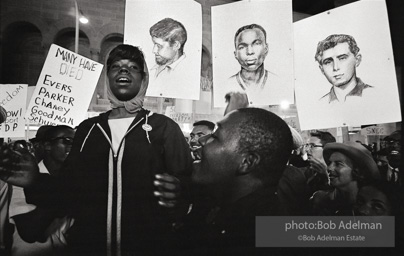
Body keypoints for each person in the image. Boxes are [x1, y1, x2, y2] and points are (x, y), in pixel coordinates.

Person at [0, 44, 193, 256]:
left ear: (143, 78)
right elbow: (70, 191)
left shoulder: (163, 128)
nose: (123, 70)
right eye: (116, 66)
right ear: (107, 78)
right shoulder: (87, 129)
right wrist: (36, 180)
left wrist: (179, 189)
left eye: (133, 67)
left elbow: (190, 183)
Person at [187, 108, 293, 253]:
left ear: (247, 162)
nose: (202, 140)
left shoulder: (263, 233)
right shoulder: (217, 207)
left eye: (216, 137)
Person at [9, 125, 75, 256]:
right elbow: (29, 232)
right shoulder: (22, 180)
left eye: (77, 141)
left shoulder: (75, 179)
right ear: (47, 146)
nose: (73, 146)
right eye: (67, 140)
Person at [311, 141, 380, 215]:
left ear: (357, 171)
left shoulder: (370, 205)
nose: (329, 168)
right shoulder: (319, 200)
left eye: (338, 164)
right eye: (329, 163)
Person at [278, 130, 335, 215]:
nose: (307, 150)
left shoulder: (339, 173)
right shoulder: (304, 173)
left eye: (312, 146)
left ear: (327, 149)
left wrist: (326, 176)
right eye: (307, 145)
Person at [225, 24, 279, 106]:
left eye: (256, 44)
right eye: (242, 47)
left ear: (266, 48)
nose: (250, 52)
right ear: (235, 54)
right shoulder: (228, 84)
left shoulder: (277, 82)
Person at [315, 34, 374, 104]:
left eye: (342, 58)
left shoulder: (375, 95)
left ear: (357, 60)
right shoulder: (320, 104)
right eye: (328, 62)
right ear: (322, 69)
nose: (335, 68)